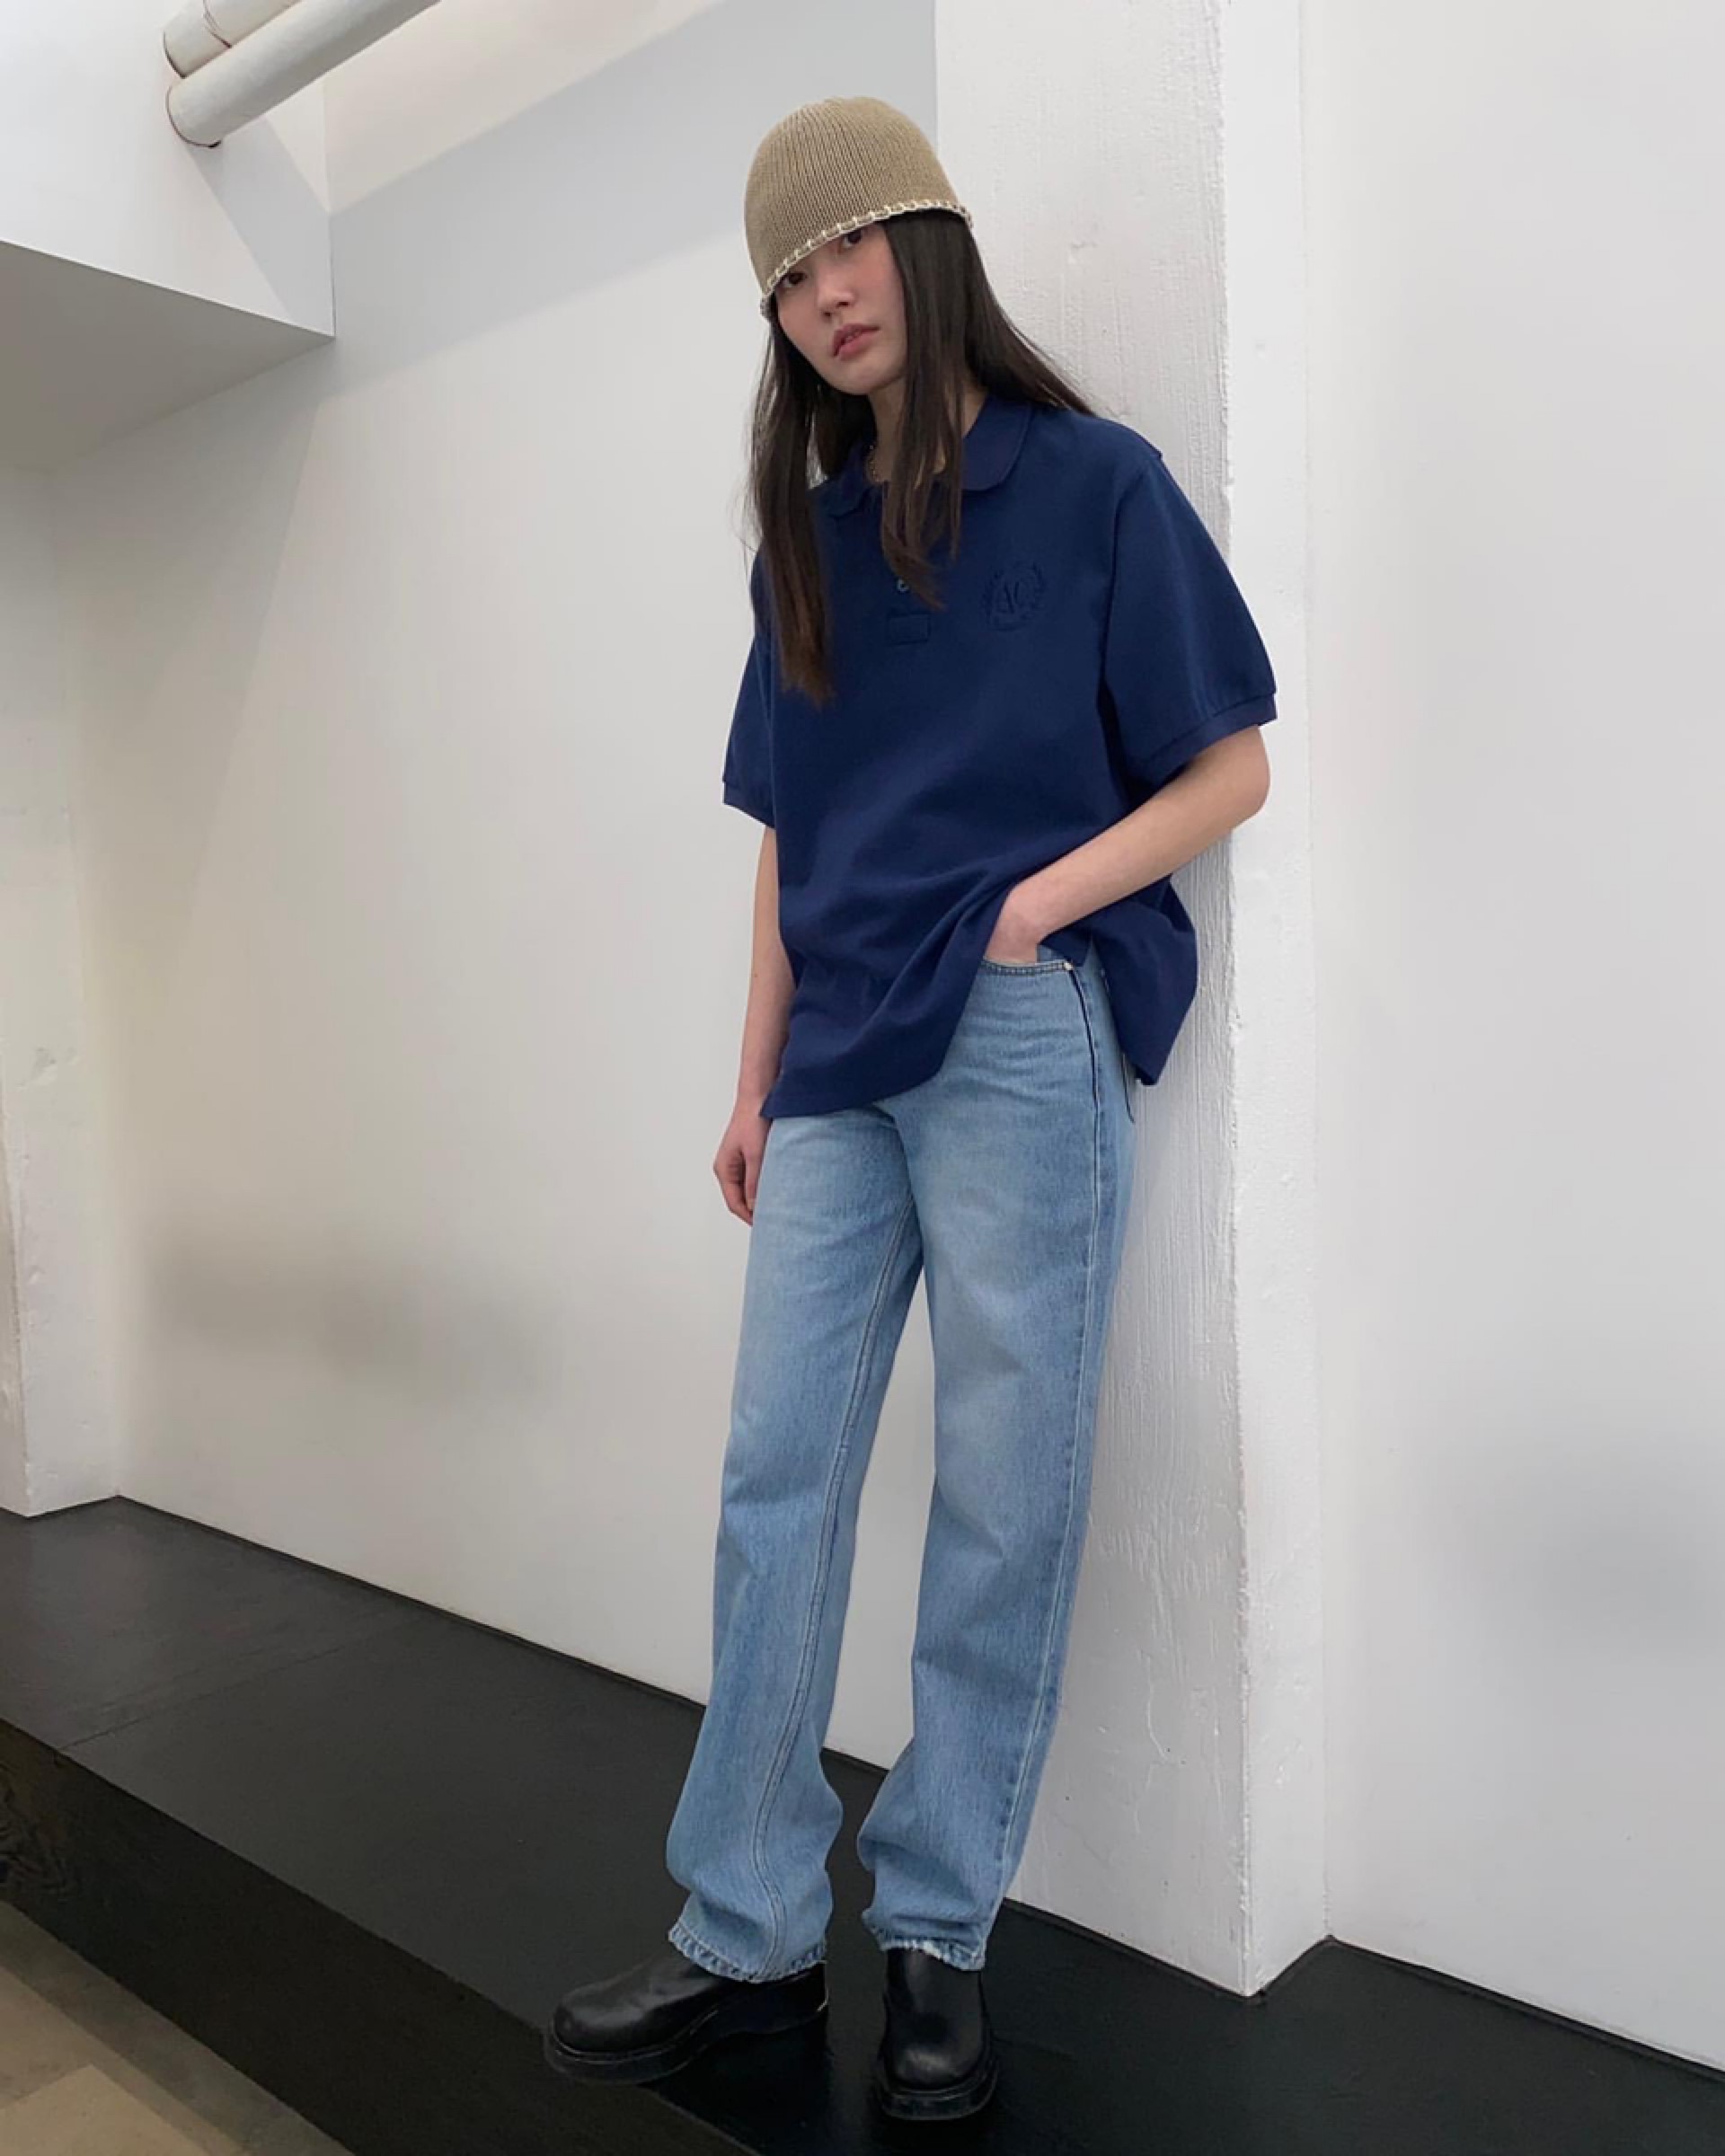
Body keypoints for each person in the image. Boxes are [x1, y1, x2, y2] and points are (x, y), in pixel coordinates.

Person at [544, 94, 1278, 2124]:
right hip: (839, 1068)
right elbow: (788, 840)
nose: (821, 294)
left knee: (1002, 1492)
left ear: (925, 242)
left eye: (847, 242)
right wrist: (752, 1081)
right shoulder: (807, 539)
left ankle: (941, 1927)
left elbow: (1231, 767)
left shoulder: (1093, 484)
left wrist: (1031, 913)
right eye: (786, 276)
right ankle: (746, 1926)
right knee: (776, 1476)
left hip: (1019, 1034)